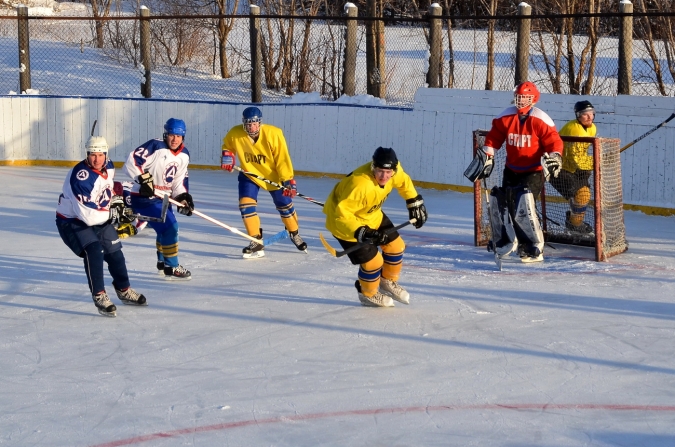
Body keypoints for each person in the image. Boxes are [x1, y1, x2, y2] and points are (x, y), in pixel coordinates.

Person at [464, 81, 563, 263]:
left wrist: (555, 156)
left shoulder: (541, 119)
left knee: (525, 208)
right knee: (506, 205)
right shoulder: (506, 117)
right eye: (519, 96)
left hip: (533, 171)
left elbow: (554, 141)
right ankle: (509, 239)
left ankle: (533, 246)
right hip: (511, 169)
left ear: (533, 99)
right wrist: (488, 154)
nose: (521, 100)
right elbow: (494, 137)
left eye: (525, 97)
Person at [55, 134, 147, 317]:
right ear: (87, 154)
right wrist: (114, 213)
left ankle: (124, 289)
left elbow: (108, 187)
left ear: (106, 154)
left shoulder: (109, 166)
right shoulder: (80, 178)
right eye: (92, 155)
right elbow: (88, 217)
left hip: (99, 216)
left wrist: (121, 195)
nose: (97, 159)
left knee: (115, 252)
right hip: (72, 221)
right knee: (95, 250)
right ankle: (99, 295)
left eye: (100, 154)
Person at [323, 147, 427, 307]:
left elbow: (404, 182)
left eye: (388, 172)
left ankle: (386, 281)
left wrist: (414, 201)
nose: (384, 176)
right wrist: (362, 232)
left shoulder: (394, 171)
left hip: (372, 214)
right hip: (347, 224)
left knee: (396, 246)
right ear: (373, 167)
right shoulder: (359, 184)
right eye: (380, 171)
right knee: (374, 262)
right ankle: (367, 294)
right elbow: (341, 217)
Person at [220, 106, 307, 259]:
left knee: (284, 206)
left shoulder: (274, 134)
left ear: (260, 123)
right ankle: (255, 240)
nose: (251, 126)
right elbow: (227, 146)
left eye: (254, 123)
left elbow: (282, 159)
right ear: (243, 123)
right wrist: (228, 155)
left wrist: (288, 180)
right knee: (245, 206)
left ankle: (294, 233)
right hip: (250, 175)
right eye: (248, 123)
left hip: (274, 177)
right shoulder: (235, 133)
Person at [123, 118, 194, 280]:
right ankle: (172, 266)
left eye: (178, 136)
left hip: (165, 198)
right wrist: (143, 178)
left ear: (183, 137)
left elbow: (178, 181)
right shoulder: (155, 146)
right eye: (171, 135)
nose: (174, 139)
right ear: (165, 134)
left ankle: (162, 262)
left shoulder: (184, 155)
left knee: (164, 230)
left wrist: (182, 197)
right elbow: (131, 161)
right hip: (144, 197)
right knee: (171, 228)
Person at [550, 100, 596, 234]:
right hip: (560, 169)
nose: (589, 117)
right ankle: (574, 224)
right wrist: (596, 161)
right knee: (581, 195)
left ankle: (574, 222)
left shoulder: (592, 128)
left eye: (591, 113)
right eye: (584, 114)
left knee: (584, 195)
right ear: (577, 115)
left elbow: (580, 156)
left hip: (573, 169)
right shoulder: (574, 129)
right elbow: (576, 159)